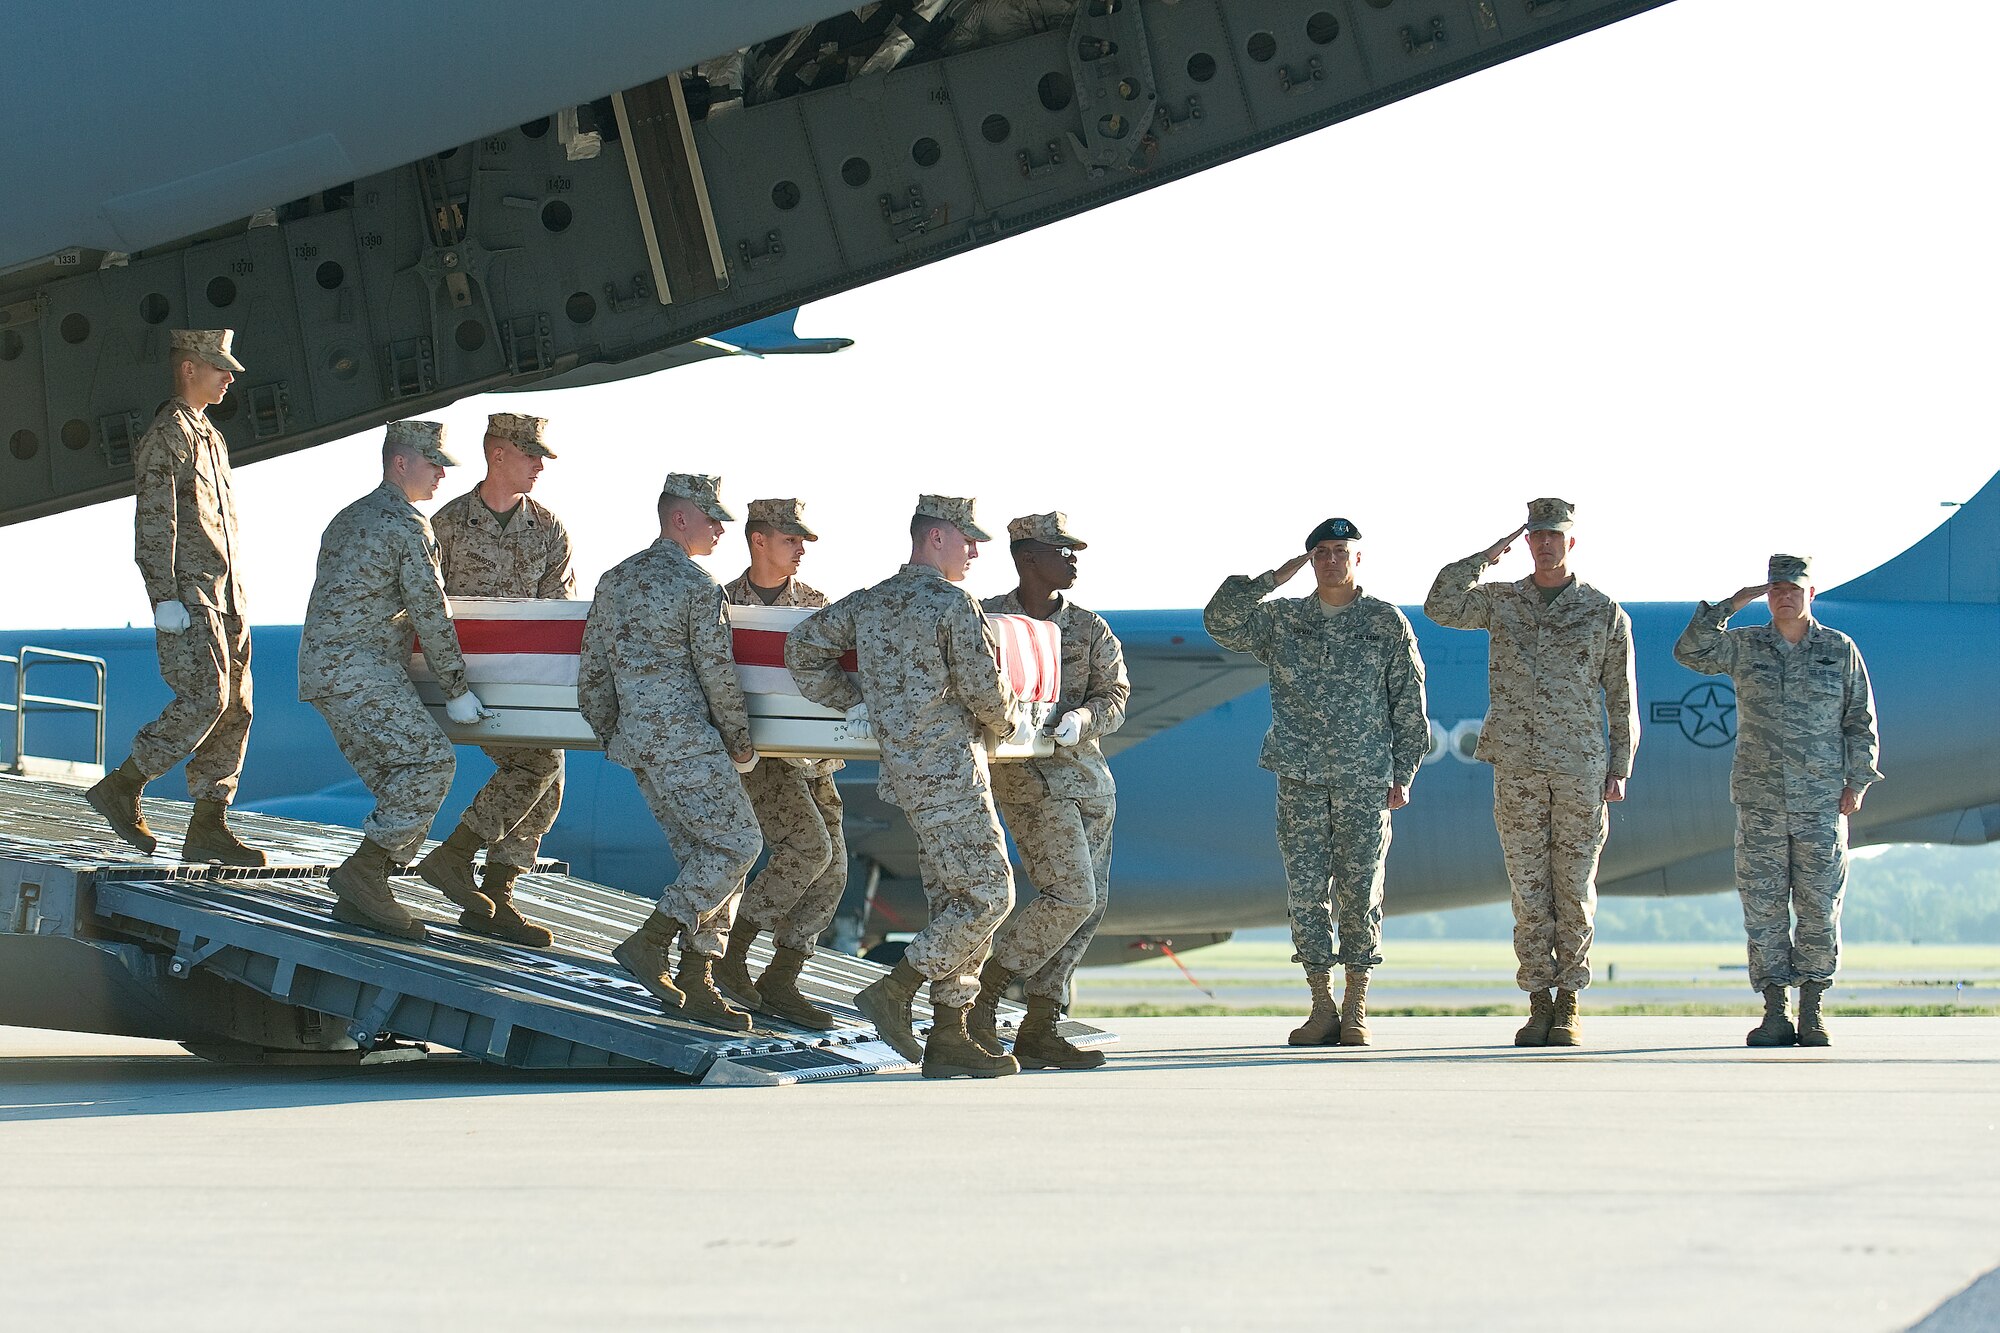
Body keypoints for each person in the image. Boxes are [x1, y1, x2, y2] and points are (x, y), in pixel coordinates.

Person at [785, 495, 1033, 1079]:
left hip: (906, 773)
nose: (974, 551)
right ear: (936, 538)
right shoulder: (952, 603)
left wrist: (857, 702)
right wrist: (1011, 724)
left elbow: (802, 649)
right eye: (967, 539)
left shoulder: (870, 602)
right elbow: (984, 688)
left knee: (955, 900)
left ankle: (950, 1036)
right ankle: (897, 988)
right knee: (992, 896)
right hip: (950, 770)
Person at [1206, 517, 1428, 1047]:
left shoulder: (1384, 622)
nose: (1331, 560)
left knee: (1359, 891)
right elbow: (1220, 619)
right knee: (1306, 894)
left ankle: (1355, 1007)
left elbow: (1409, 702)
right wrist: (1273, 579)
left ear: (1358, 557)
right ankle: (1321, 1005)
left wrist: (1404, 773)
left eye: (1340, 550)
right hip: (1301, 777)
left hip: (1364, 779)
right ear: (1310, 560)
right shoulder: (1284, 620)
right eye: (1320, 552)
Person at [1424, 498, 1637, 1047]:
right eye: (1535, 536)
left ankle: (1569, 1002)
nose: (1544, 544)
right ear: (1526, 542)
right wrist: (1488, 556)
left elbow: (1621, 696)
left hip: (1578, 767)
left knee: (1574, 885)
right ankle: (1537, 1001)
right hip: (1516, 765)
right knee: (1527, 886)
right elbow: (1441, 604)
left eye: (1554, 535)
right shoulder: (1502, 601)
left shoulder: (1602, 611)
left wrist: (1620, 766)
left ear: (1572, 543)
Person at [1674, 554, 1882, 1047]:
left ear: (1811, 594)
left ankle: (1812, 1008)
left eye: (1794, 589)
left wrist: (1857, 782)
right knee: (1763, 907)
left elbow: (1860, 720)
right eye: (1776, 589)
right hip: (1761, 801)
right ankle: (1775, 1010)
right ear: (1767, 595)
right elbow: (1689, 651)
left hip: (1820, 802)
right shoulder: (1746, 646)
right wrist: (1729, 605)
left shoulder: (1838, 648)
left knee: (1818, 906)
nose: (1784, 597)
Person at [579, 473, 761, 1032]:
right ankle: (653, 939)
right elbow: (718, 677)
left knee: (705, 859)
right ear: (680, 518)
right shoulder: (698, 587)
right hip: (687, 739)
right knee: (739, 844)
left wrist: (615, 735)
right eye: (712, 517)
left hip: (639, 745)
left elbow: (591, 674)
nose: (722, 528)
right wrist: (740, 746)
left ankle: (697, 975)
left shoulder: (615, 580)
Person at [299, 422, 489, 941]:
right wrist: (456, 689)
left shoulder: (348, 518)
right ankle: (364, 875)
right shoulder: (408, 525)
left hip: (325, 670)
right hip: (361, 670)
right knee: (430, 764)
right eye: (433, 463)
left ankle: (366, 895)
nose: (443, 474)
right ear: (400, 463)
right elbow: (432, 612)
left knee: (398, 780)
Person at [86, 329, 266, 867]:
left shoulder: (209, 434)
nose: (229, 377)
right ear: (189, 368)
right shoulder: (168, 434)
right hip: (189, 594)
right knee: (204, 699)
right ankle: (123, 785)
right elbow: (155, 520)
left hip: (226, 594)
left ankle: (209, 825)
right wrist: (162, 595)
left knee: (236, 708)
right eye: (219, 367)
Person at [968, 512, 1130, 1069]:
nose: (1073, 560)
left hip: (1089, 781)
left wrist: (1085, 718)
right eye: (1061, 550)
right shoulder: (987, 622)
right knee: (1071, 896)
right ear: (1027, 558)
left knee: (1090, 907)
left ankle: (1040, 1024)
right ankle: (984, 994)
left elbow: (1115, 694)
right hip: (1030, 780)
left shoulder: (1089, 627)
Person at [416, 411, 573, 948]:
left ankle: (495, 893)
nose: (539, 464)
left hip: (523, 682)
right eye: (530, 454)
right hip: (461, 681)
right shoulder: (447, 526)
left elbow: (556, 614)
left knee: (550, 773)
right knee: (539, 762)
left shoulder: (548, 529)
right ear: (497, 455)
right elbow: (424, 607)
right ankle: (457, 856)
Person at [713, 498, 847, 1029]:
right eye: (791, 540)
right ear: (759, 540)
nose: (800, 550)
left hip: (811, 758)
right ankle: (732, 952)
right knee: (808, 848)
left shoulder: (814, 605)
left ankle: (782, 978)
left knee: (833, 870)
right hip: (761, 755)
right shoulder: (722, 604)